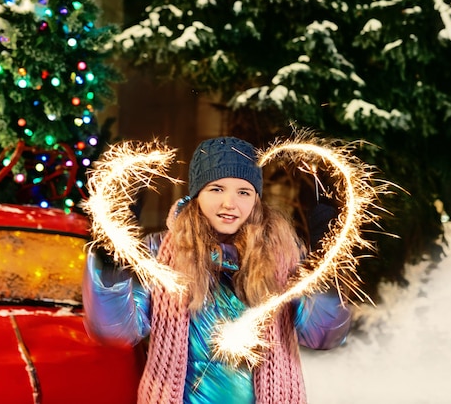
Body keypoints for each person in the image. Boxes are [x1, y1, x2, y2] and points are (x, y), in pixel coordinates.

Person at [82, 136, 351, 404]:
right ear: (197, 194)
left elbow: (323, 334)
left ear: (256, 198)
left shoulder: (285, 257)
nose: (229, 203)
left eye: (243, 192)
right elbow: (114, 330)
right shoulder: (158, 253)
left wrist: (324, 270)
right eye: (216, 189)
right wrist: (110, 265)